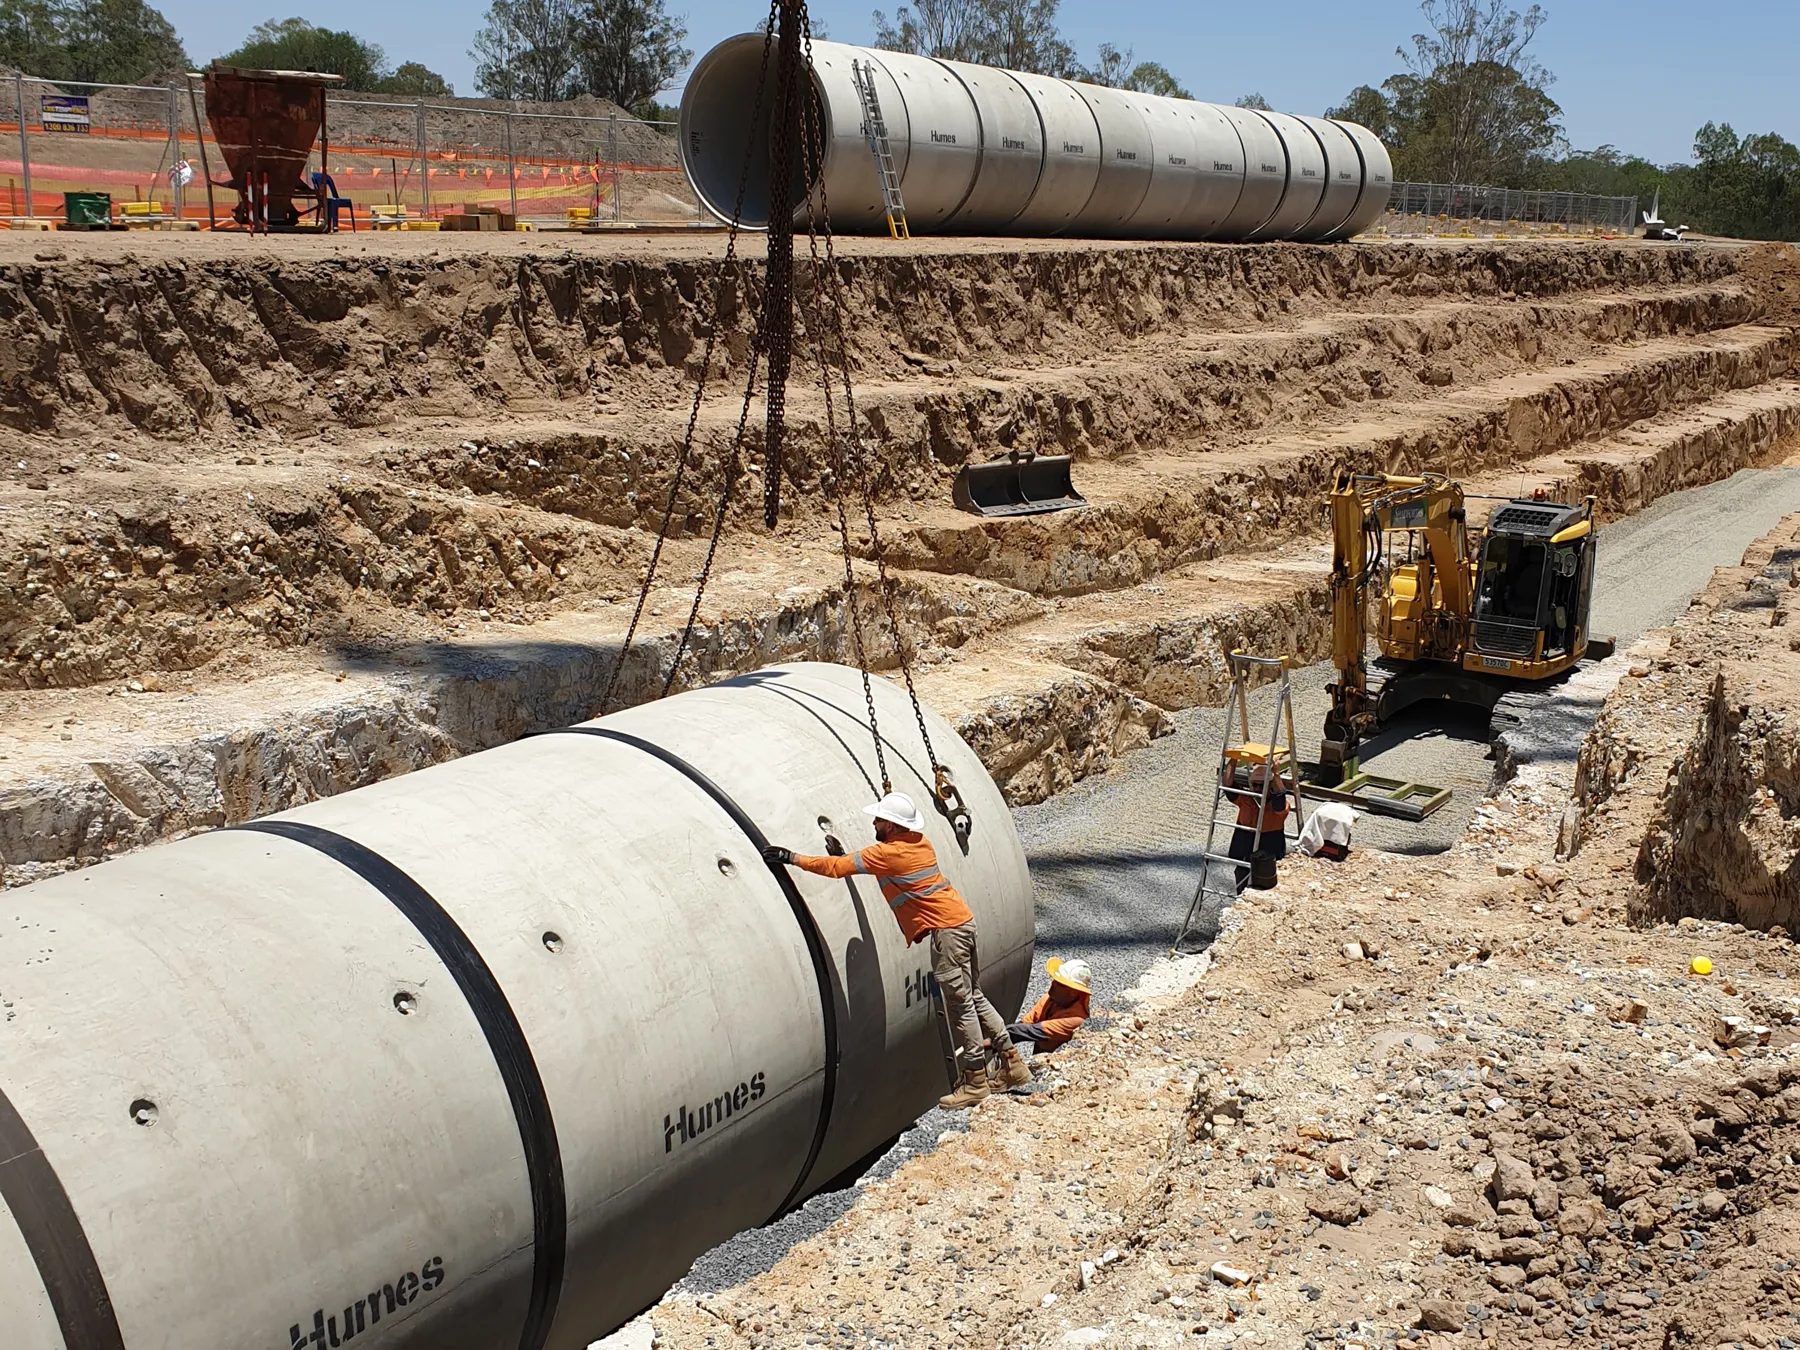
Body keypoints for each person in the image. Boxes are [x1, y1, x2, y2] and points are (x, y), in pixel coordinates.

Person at [763, 791, 1030, 1108]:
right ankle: (1012, 1063)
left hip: (947, 935)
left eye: (878, 819)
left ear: (890, 825)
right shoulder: (919, 843)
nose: (874, 823)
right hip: (962, 922)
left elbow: (836, 869)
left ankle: (975, 1080)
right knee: (973, 995)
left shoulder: (887, 853)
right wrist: (852, 855)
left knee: (961, 1006)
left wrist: (792, 858)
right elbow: (888, 869)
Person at [1225, 760, 1289, 892]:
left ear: (1270, 785)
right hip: (1245, 845)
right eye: (1255, 785)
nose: (1258, 789)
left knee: (1265, 886)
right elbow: (1228, 785)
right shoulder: (1246, 798)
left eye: (1262, 785)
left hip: (1268, 849)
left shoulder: (1277, 804)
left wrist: (1276, 774)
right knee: (1242, 879)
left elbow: (1280, 798)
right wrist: (1234, 759)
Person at [1007, 957, 1091, 1055]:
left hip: (1057, 1058)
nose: (1053, 984)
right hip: (1040, 1047)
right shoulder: (1051, 998)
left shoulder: (1075, 1019)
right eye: (1055, 980)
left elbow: (1031, 1031)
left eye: (1060, 983)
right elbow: (1024, 1024)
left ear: (1073, 993)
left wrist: (995, 1038)